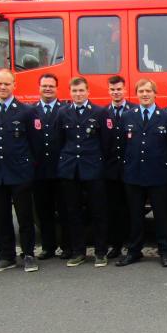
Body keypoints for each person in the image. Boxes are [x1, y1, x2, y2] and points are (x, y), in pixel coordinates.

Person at [0, 69, 38, 273]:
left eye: (6, 84)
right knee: (1, 216)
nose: (2, 87)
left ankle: (29, 254)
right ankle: (6, 256)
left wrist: (30, 170)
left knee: (25, 217)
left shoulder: (26, 111)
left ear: (14, 86)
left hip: (20, 172)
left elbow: (34, 144)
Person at [116, 79, 167, 267]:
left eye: (148, 91)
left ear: (155, 93)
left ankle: (165, 252)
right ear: (136, 94)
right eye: (141, 91)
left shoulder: (166, 117)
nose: (144, 94)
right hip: (134, 174)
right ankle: (134, 251)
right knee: (135, 216)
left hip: (158, 175)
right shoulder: (127, 116)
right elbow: (122, 147)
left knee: (161, 216)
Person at [57, 77, 113, 268]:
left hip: (93, 169)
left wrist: (97, 161)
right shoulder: (63, 112)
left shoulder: (100, 112)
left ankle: (100, 252)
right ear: (70, 92)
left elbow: (107, 142)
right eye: (74, 91)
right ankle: (78, 251)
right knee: (73, 212)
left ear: (88, 92)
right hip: (70, 169)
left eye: (81, 90)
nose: (78, 94)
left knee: (98, 212)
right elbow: (59, 140)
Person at [30, 73, 69, 260]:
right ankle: (48, 247)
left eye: (51, 86)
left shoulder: (65, 109)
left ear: (57, 88)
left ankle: (66, 246)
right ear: (39, 87)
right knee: (43, 211)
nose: (48, 89)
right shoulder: (30, 111)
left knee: (65, 209)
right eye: (44, 85)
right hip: (39, 170)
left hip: (61, 168)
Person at [104, 75, 135, 259]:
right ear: (109, 91)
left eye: (119, 89)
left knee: (131, 209)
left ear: (124, 90)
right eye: (112, 89)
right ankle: (115, 245)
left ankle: (132, 244)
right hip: (111, 169)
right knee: (113, 209)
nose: (116, 92)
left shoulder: (134, 110)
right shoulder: (103, 113)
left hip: (130, 168)